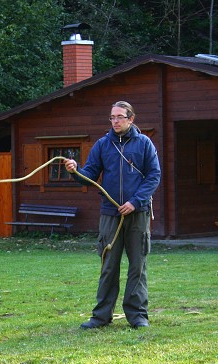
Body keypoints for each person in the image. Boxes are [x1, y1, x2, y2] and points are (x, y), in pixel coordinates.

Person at [64, 101, 161, 329]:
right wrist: (75, 170)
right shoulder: (102, 145)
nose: (115, 121)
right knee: (108, 266)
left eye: (119, 117)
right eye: (112, 117)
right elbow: (89, 175)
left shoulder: (145, 144)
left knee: (137, 266)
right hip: (110, 214)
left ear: (131, 119)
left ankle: (137, 316)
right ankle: (101, 317)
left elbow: (153, 176)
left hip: (137, 214)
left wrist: (135, 202)